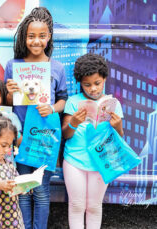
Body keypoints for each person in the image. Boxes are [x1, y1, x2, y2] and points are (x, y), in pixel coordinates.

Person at [4, 7, 68, 228]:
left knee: (41, 191)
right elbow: (9, 104)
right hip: (21, 137)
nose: (36, 41)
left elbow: (63, 100)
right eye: (31, 36)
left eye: (42, 36)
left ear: (49, 36)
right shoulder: (13, 65)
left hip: (45, 138)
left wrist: (51, 109)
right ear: (24, 36)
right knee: (22, 190)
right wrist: (10, 91)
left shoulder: (57, 67)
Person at [62, 53, 124, 229]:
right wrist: (73, 122)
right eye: (87, 85)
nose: (93, 89)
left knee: (95, 206)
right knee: (76, 205)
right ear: (80, 83)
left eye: (97, 83)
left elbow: (119, 137)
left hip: (102, 161)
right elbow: (66, 134)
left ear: (104, 78)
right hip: (75, 161)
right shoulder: (74, 101)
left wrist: (118, 126)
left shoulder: (114, 103)